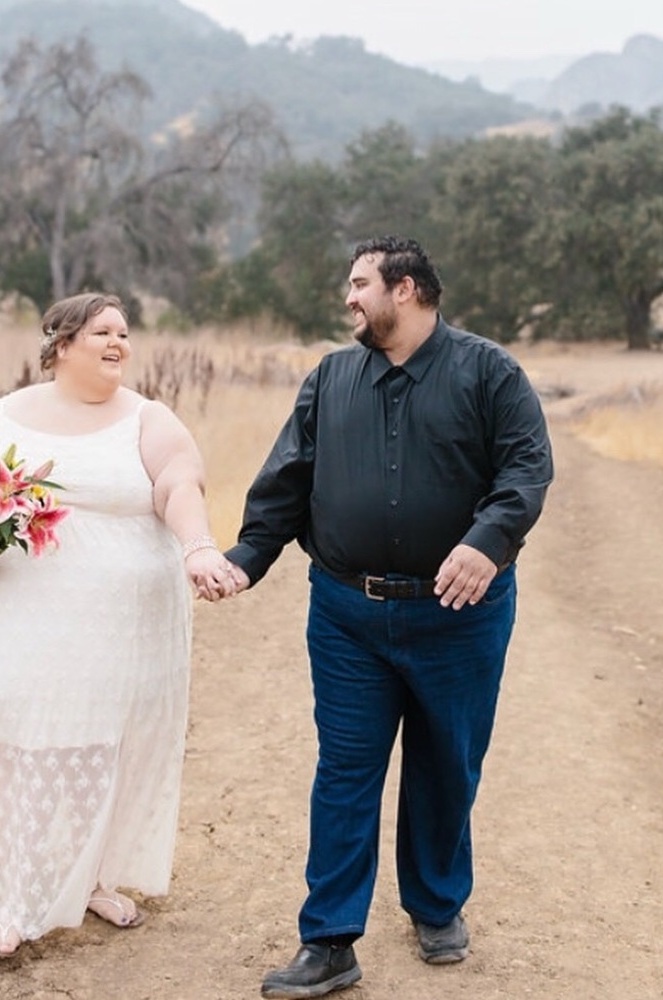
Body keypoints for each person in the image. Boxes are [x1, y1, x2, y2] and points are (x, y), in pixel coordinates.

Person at [222, 236, 554, 998]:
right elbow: (287, 478)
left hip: (460, 613)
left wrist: (487, 542)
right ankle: (330, 940)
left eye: (360, 283)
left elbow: (527, 468)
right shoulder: (332, 377)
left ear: (404, 289)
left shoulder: (489, 372)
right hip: (347, 614)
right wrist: (246, 558)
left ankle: (437, 906)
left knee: (446, 761)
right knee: (344, 770)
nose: (349, 298)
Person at [0, 292, 236, 957]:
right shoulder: (6, 414)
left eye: (125, 333)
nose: (118, 344)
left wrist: (198, 547)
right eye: (103, 331)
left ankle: (93, 878)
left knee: (105, 748)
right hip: (23, 619)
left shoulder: (148, 419)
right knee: (19, 748)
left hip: (125, 628)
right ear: (62, 342)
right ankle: (14, 902)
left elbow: (179, 485)